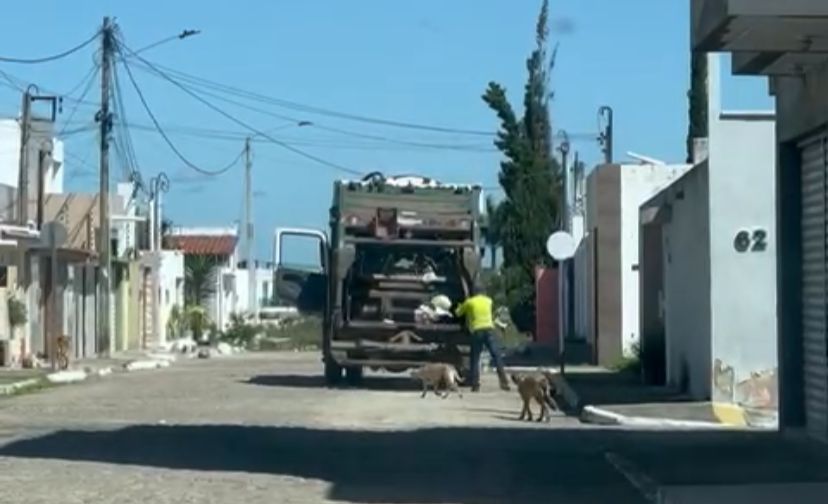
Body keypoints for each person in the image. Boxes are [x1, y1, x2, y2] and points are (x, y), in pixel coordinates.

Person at [454, 284, 511, 392]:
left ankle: (475, 385)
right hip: (489, 329)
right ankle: (504, 381)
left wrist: (459, 305)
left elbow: (458, 313)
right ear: (483, 292)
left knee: (475, 358)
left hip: (477, 331)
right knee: (496, 355)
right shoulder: (489, 301)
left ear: (474, 292)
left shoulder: (470, 302)